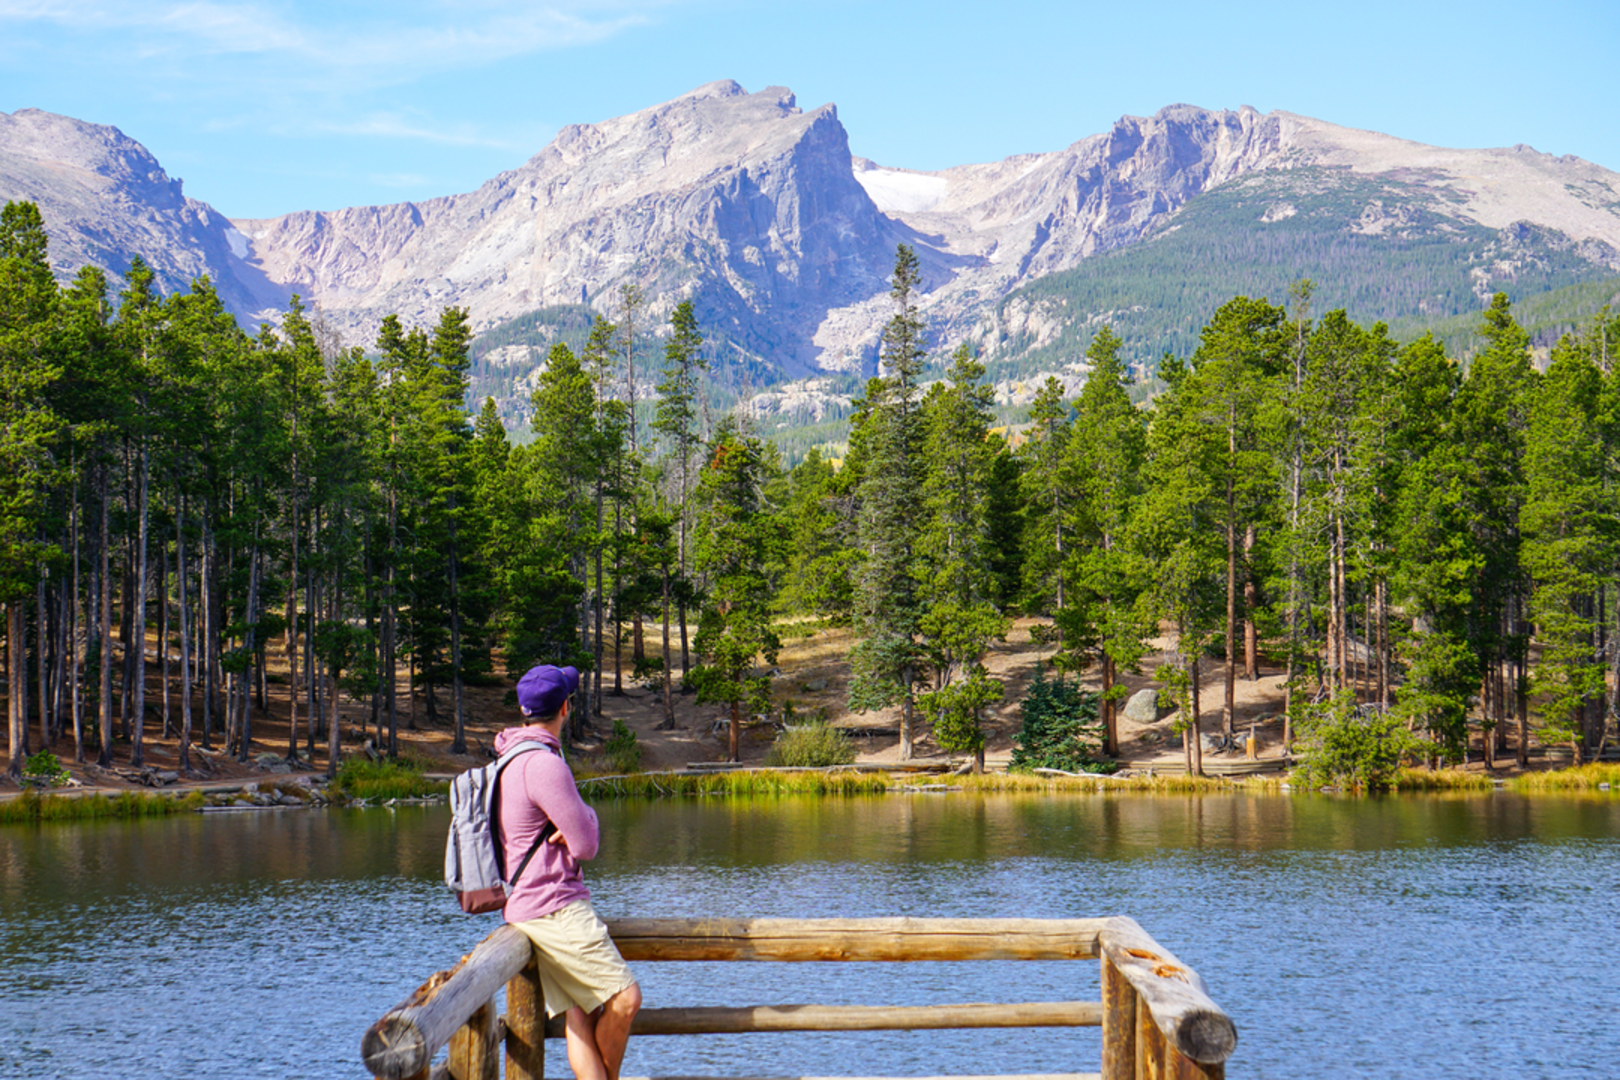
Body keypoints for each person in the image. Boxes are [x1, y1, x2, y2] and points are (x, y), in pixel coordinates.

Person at [497, 663, 641, 1080]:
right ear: (565, 707)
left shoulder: (511, 754)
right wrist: (587, 816)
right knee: (626, 998)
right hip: (554, 907)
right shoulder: (544, 764)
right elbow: (587, 844)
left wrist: (570, 822)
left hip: (528, 903)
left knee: (579, 1015)